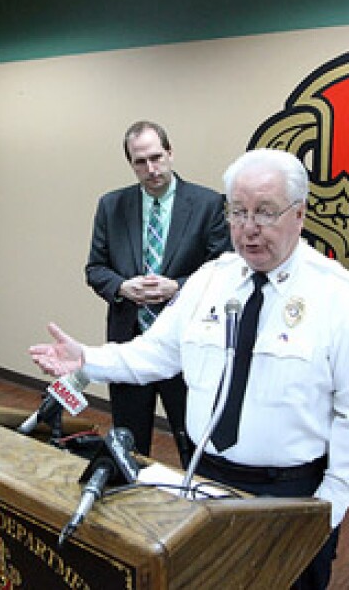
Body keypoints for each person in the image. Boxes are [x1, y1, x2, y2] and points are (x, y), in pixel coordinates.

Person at [33, 148, 349, 589]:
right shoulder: (211, 279)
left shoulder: (341, 297)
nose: (248, 229)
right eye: (238, 212)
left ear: (299, 214)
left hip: (289, 495)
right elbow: (155, 354)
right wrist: (88, 360)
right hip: (205, 480)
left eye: (265, 213)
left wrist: (327, 509)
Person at [85, 120, 230, 467]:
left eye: (156, 157)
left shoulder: (208, 204)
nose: (151, 169)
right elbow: (95, 268)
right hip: (130, 340)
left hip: (187, 346)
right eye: (140, 162)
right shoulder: (111, 206)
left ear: (170, 152)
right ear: (130, 164)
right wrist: (121, 286)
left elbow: (224, 271)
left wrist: (178, 287)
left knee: (191, 439)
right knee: (129, 444)